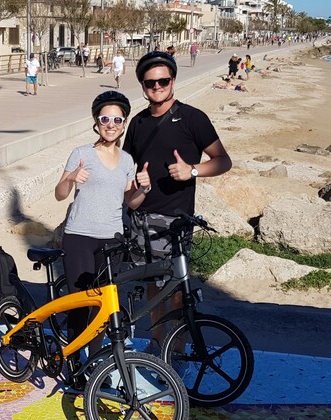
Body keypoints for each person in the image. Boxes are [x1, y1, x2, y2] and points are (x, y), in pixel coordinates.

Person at [123, 51, 232, 355]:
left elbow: (223, 160)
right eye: (150, 82)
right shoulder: (138, 122)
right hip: (141, 218)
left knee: (176, 288)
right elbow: (126, 168)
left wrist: (192, 171)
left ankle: (179, 346)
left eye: (163, 80)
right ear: (143, 86)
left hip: (175, 220)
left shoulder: (193, 118)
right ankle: (158, 342)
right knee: (153, 287)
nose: (157, 86)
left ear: (173, 80)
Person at [55, 91, 151, 388]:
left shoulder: (127, 160)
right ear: (96, 122)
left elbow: (131, 203)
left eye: (117, 119)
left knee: (102, 309)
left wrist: (144, 188)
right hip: (80, 236)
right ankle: (73, 366)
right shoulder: (81, 153)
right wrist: (71, 179)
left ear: (124, 124)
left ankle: (93, 365)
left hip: (112, 240)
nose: (111, 124)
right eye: (105, 119)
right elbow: (59, 194)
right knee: (79, 305)